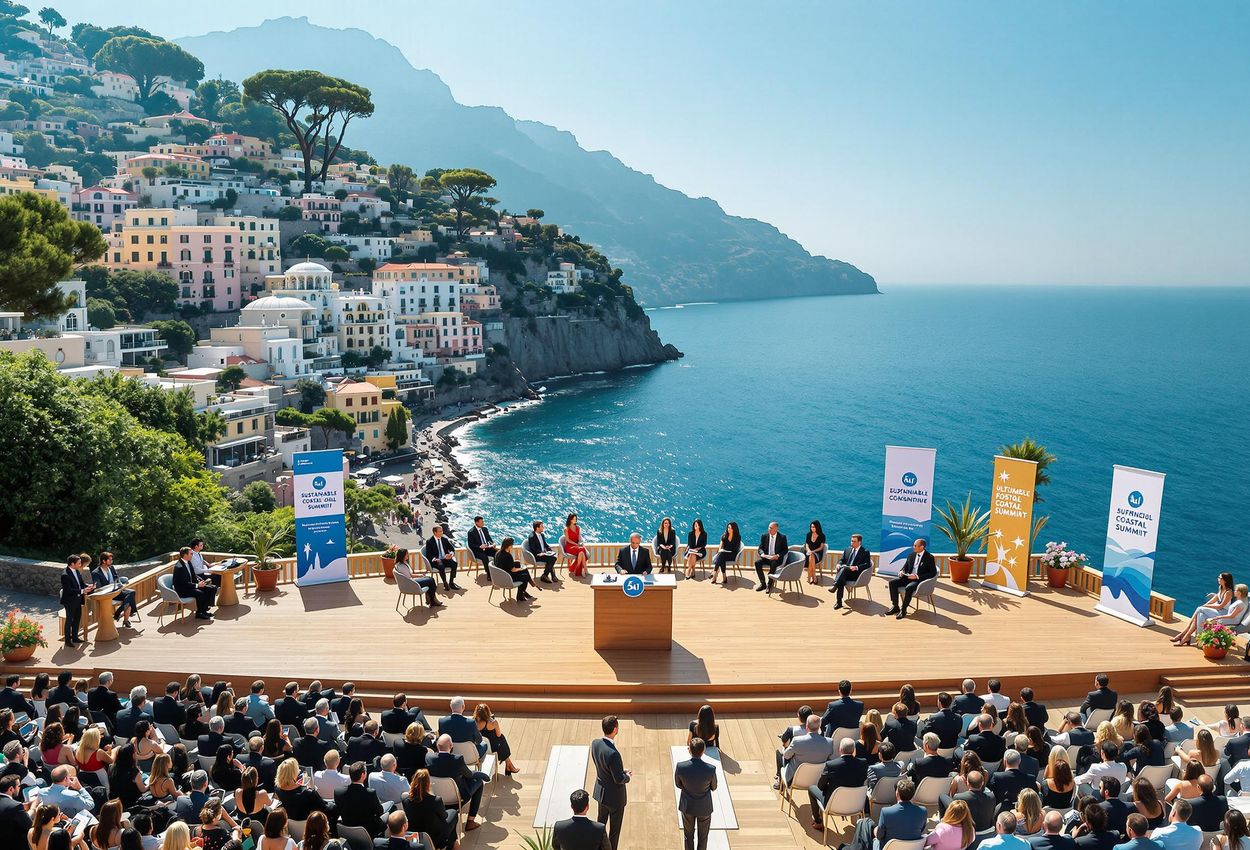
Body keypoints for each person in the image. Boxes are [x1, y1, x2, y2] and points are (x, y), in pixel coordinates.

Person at [426, 734, 486, 833]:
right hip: (457, 798)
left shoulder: (429, 758)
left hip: (437, 797)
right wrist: (480, 774)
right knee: (479, 782)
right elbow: (469, 775)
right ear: (451, 746)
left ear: (437, 746)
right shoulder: (457, 759)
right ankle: (470, 821)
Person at [807, 737, 868, 832]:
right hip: (856, 803)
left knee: (812, 788)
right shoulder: (863, 763)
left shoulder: (831, 765)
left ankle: (818, 822)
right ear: (854, 750)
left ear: (840, 750)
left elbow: (820, 786)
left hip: (833, 804)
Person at [848, 777, 926, 850]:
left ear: (897, 793)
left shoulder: (886, 812)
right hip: (912, 848)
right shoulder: (923, 811)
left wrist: (874, 829)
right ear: (912, 794)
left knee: (864, 824)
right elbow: (921, 830)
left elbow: (879, 835)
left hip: (887, 847)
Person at [591, 716, 630, 850]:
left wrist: (618, 770)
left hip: (601, 793)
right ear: (615, 729)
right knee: (614, 831)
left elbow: (601, 764)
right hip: (615, 799)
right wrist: (627, 776)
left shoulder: (595, 743)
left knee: (600, 824)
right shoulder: (613, 753)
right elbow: (619, 779)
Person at [675, 737, 718, 850]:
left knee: (688, 836)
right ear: (703, 751)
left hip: (687, 806)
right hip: (704, 808)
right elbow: (714, 787)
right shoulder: (711, 769)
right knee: (703, 837)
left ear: (689, 750)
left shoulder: (681, 767)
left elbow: (678, 784)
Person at [1173, 573, 1236, 645]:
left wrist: (1205, 607)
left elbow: (1220, 606)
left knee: (1199, 609)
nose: (1218, 579)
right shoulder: (1221, 588)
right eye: (1218, 577)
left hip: (1222, 613)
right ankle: (1197, 640)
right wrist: (1205, 605)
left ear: (1225, 580)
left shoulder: (1228, 592)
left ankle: (1184, 633)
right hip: (1217, 611)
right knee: (1200, 615)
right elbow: (1214, 599)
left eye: (1220, 578)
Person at [402, 769, 457, 850]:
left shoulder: (405, 799)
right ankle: (450, 844)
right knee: (453, 812)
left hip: (416, 835)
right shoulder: (436, 800)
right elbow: (444, 816)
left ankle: (451, 843)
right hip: (434, 836)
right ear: (428, 784)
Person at [777, 715, 833, 790]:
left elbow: (786, 756)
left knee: (780, 753)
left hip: (795, 780)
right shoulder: (829, 742)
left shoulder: (797, 741)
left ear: (806, 726)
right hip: (817, 780)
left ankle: (780, 783)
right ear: (819, 726)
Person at [887, 538, 936, 618]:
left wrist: (917, 576)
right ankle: (895, 606)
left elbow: (932, 573)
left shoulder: (929, 557)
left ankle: (903, 610)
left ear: (922, 547)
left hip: (919, 580)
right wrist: (901, 572)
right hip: (908, 577)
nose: (913, 547)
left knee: (909, 588)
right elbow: (905, 567)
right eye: (914, 545)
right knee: (892, 583)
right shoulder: (911, 555)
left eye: (915, 546)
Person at [335, 760, 386, 836]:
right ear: (363, 775)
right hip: (368, 831)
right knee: (391, 806)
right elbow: (379, 812)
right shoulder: (370, 793)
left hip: (347, 829)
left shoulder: (338, 792)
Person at [92, 551, 138, 628]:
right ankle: (126, 620)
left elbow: (117, 578)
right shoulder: (96, 573)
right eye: (110, 560)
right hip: (108, 594)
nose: (111, 561)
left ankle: (118, 612)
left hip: (117, 591)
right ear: (104, 561)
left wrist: (120, 584)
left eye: (111, 559)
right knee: (129, 603)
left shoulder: (111, 568)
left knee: (132, 592)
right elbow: (98, 587)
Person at [172, 546, 216, 620]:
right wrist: (197, 585)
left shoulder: (188, 562)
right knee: (200, 593)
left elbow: (193, 575)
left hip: (190, 586)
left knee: (212, 588)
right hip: (182, 590)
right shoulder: (179, 566)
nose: (192, 555)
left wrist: (200, 581)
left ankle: (205, 609)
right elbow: (184, 583)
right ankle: (199, 613)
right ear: (185, 555)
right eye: (191, 554)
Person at [474, 703, 518, 775]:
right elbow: (498, 735)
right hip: (492, 748)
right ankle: (509, 764)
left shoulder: (473, 722)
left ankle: (509, 764)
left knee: (501, 740)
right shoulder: (493, 723)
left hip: (479, 746)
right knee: (501, 738)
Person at [60, 555, 94, 646]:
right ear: (72, 564)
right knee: (69, 620)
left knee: (77, 618)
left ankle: (75, 637)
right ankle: (67, 640)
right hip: (69, 601)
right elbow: (68, 590)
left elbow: (81, 584)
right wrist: (83, 591)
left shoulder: (77, 571)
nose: (80, 565)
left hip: (78, 599)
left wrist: (88, 586)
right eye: (79, 563)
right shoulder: (65, 575)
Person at [831, 533, 873, 607]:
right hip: (846, 572)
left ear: (859, 542)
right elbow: (842, 560)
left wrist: (856, 567)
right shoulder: (847, 549)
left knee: (842, 572)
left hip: (857, 575)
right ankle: (839, 601)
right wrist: (838, 564)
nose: (852, 543)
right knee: (842, 572)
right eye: (851, 541)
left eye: (854, 541)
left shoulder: (865, 551)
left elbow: (867, 564)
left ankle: (835, 586)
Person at [494, 538, 536, 603]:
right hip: (507, 577)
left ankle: (523, 591)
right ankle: (520, 596)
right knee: (524, 576)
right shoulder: (508, 556)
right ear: (509, 546)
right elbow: (513, 570)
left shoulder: (497, 553)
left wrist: (520, 567)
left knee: (519, 565)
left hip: (500, 575)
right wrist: (521, 569)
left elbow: (505, 564)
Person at [754, 522, 788, 591]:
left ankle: (769, 585)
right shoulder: (764, 536)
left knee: (773, 564)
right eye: (769, 527)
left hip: (776, 559)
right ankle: (763, 584)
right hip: (766, 557)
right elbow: (760, 548)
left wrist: (777, 555)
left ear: (776, 529)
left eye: (771, 528)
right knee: (757, 563)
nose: (769, 529)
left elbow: (785, 550)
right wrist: (762, 554)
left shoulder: (782, 537)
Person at [0, 774, 31, 850]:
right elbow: (30, 826)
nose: (19, 788)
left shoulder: (14, 806)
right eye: (19, 786)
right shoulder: (15, 806)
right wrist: (33, 808)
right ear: (11, 789)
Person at [423, 526, 458, 592]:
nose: (442, 532)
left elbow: (452, 549)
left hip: (445, 559)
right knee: (441, 566)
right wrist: (434, 559)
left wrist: (450, 554)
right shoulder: (429, 541)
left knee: (454, 564)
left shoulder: (445, 539)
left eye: (442, 531)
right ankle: (445, 583)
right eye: (440, 531)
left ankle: (451, 582)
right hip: (436, 560)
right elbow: (429, 554)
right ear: (435, 532)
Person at [564, 513, 589, 577]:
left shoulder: (578, 528)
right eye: (574, 519)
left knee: (581, 552)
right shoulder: (566, 529)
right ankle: (584, 569)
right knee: (582, 549)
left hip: (577, 546)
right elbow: (568, 540)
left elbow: (579, 538)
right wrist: (576, 544)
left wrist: (581, 544)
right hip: (569, 547)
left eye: (576, 519)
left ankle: (578, 571)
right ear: (570, 520)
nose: (575, 520)